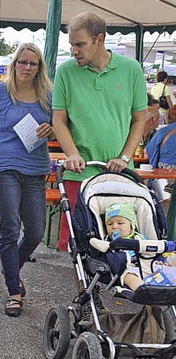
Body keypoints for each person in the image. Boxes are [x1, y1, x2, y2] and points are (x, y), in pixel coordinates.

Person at [53, 12, 147, 253]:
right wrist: (72, 153)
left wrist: (125, 158)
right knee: (78, 248)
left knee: (122, 241)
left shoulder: (131, 69)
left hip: (120, 176)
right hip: (79, 173)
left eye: (80, 44)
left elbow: (139, 120)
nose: (74, 51)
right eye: (72, 45)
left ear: (100, 39)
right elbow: (59, 121)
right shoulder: (66, 72)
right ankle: (83, 291)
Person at [0, 43, 54, 317]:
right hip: (5, 168)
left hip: (36, 168)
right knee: (10, 227)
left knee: (36, 231)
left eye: (33, 64)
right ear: (14, 64)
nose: (27, 68)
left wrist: (51, 131)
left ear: (40, 68)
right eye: (23, 62)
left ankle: (11, 268)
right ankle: (14, 291)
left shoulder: (48, 96)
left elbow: (60, 127)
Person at [146, 105, 176, 239]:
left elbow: (150, 154)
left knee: (163, 214)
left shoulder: (164, 132)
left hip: (164, 179)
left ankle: (163, 239)